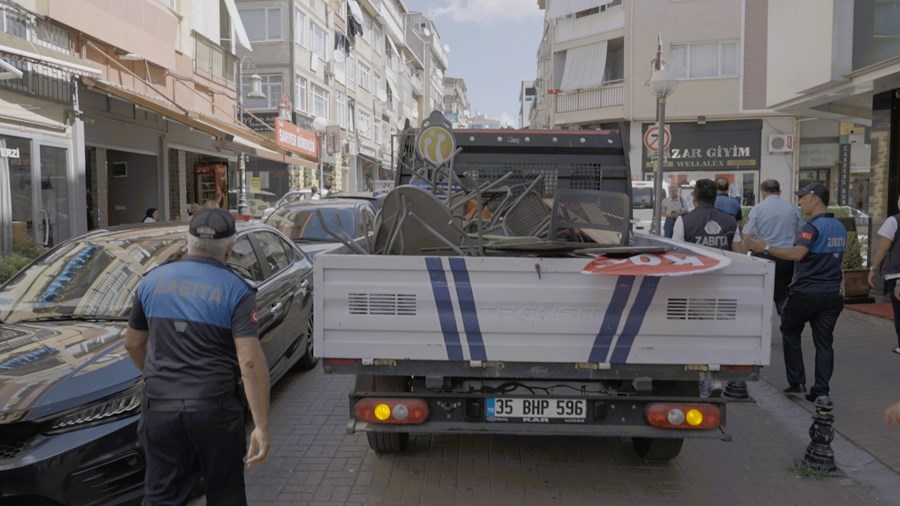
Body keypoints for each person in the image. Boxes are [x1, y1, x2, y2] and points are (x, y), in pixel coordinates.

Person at [124, 208, 270, 505]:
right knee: (225, 493)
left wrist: (156, 376)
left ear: (186, 242)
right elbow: (250, 361)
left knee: (162, 495)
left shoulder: (151, 282)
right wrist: (261, 425)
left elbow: (133, 343)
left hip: (160, 407)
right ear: (229, 249)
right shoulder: (237, 291)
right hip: (214, 411)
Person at [748, 183, 846, 402]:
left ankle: (797, 382)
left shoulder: (811, 227)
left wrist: (765, 248)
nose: (800, 202)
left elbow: (797, 254)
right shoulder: (838, 226)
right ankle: (821, 391)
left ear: (815, 198)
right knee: (824, 342)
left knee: (789, 330)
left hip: (806, 292)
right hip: (831, 293)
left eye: (802, 197)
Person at [741, 179, 804, 316]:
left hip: (762, 257)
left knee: (762, 294)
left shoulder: (757, 209)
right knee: (783, 294)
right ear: (779, 191)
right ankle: (787, 325)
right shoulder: (793, 208)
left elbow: (748, 235)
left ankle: (763, 329)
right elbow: (800, 234)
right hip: (787, 257)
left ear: (762, 192)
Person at [867, 195, 900, 354]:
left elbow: (884, 247)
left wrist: (873, 268)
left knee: (899, 310)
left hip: (896, 273)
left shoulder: (894, 221)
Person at [673, 178, 743, 252]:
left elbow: (677, 253)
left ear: (694, 200)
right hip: (723, 263)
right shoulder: (731, 221)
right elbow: (738, 255)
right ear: (715, 199)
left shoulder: (683, 221)